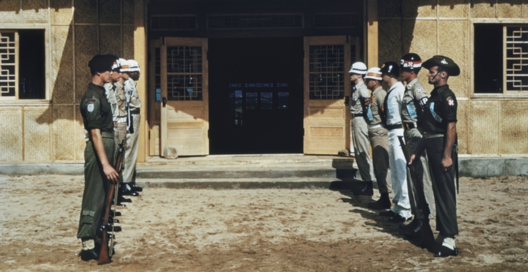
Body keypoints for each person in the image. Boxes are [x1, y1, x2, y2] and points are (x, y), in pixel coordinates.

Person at [410, 55, 460, 257]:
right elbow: (427, 130)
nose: (429, 75)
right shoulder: (434, 95)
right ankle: (443, 235)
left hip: (442, 147)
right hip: (432, 144)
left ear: (443, 74)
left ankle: (449, 239)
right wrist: (417, 152)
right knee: (438, 191)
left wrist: (447, 155)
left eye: (432, 72)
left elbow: (451, 126)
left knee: (445, 192)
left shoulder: (447, 96)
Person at [77, 55, 120, 261]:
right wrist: (105, 164)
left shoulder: (101, 93)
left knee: (104, 195)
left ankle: (96, 235)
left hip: (106, 145)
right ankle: (87, 243)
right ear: (98, 73)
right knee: (94, 194)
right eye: (109, 71)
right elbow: (95, 133)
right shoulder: (92, 97)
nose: (112, 74)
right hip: (98, 149)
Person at [398, 53, 435, 235]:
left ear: (411, 70)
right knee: (412, 176)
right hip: (409, 133)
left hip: (416, 134)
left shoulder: (417, 89)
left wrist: (424, 135)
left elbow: (427, 111)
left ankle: (424, 219)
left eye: (403, 69)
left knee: (419, 176)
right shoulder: (408, 88)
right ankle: (418, 216)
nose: (401, 72)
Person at [378, 61, 412, 223]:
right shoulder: (392, 89)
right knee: (395, 170)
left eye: (384, 72)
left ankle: (406, 208)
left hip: (399, 131)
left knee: (401, 169)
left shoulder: (400, 90)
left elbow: (407, 112)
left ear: (390, 74)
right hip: (391, 131)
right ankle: (398, 204)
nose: (382, 75)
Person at [363, 67, 392, 209]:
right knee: (378, 165)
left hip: (379, 132)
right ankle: (383, 195)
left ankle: (385, 196)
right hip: (374, 132)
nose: (366, 82)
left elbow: (386, 112)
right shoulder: (374, 94)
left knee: (381, 166)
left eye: (368, 79)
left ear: (374, 81)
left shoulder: (380, 94)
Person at [348, 62, 376, 196]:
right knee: (359, 152)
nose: (350, 75)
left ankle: (368, 183)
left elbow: (367, 105)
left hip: (360, 119)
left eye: (353, 73)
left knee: (363, 152)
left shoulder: (362, 88)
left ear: (359, 75)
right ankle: (366, 181)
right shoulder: (356, 88)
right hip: (356, 118)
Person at [118, 59, 143, 197]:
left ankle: (129, 181)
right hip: (130, 118)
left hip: (134, 116)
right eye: (136, 71)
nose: (138, 73)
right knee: (129, 150)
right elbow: (125, 106)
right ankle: (125, 182)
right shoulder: (127, 84)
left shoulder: (131, 83)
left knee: (133, 150)